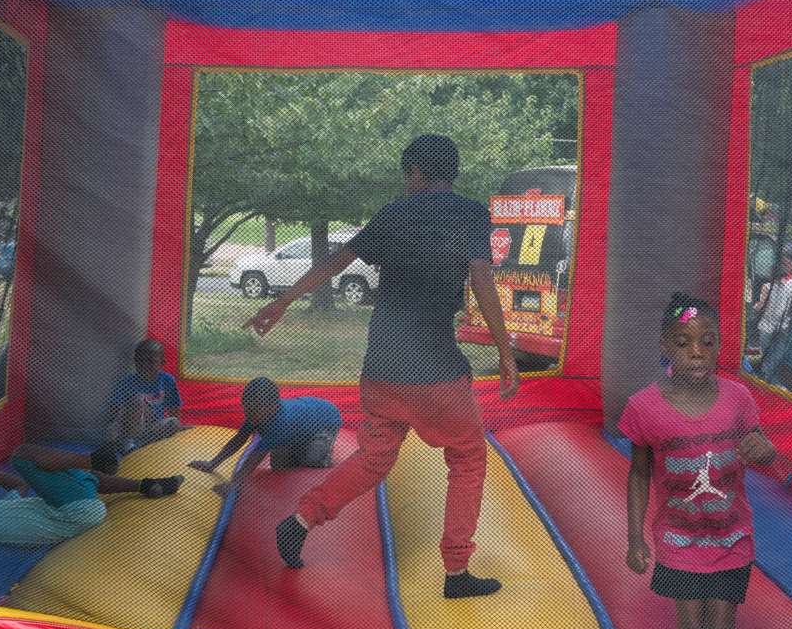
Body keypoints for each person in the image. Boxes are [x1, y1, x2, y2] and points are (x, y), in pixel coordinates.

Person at [243, 134, 519, 599]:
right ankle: (456, 571)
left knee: (374, 457)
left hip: (381, 370)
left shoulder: (393, 214)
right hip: (433, 372)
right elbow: (483, 284)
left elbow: (334, 263)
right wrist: (506, 353)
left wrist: (283, 301)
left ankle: (302, 517)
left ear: (414, 173)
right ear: (451, 173)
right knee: (468, 457)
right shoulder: (470, 213)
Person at [623, 293, 777, 629]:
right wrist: (635, 538)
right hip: (679, 540)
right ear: (665, 346)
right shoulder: (644, 407)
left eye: (707, 342)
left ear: (719, 346)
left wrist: (765, 450)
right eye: (683, 342)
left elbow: (762, 450)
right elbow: (639, 473)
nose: (696, 352)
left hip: (731, 537)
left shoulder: (738, 399)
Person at [0, 443, 183, 547]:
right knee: (22, 454)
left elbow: (19, 484)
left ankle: (147, 485)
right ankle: (91, 459)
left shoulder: (0, 506)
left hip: (77, 509)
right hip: (72, 511)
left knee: (85, 476)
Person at [188, 377, 342, 498]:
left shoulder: (280, 421)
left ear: (273, 407)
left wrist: (235, 485)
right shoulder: (255, 415)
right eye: (247, 410)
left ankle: (321, 452)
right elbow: (238, 440)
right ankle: (297, 443)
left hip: (326, 420)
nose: (250, 417)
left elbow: (255, 457)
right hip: (302, 422)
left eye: (255, 412)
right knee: (278, 466)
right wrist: (211, 464)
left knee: (312, 459)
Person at [108, 339, 191, 451]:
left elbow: (174, 409)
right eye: (140, 361)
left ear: (162, 363)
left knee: (174, 423)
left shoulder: (167, 380)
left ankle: (142, 445)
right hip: (128, 429)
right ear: (135, 361)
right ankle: (127, 445)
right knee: (138, 400)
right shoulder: (127, 382)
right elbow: (114, 410)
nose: (144, 365)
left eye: (150, 361)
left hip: (152, 428)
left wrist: (179, 428)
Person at [752, 244, 792, 382]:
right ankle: (768, 377)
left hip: (777, 326)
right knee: (774, 356)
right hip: (777, 325)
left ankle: (767, 378)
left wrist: (756, 306)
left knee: (772, 355)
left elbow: (760, 307)